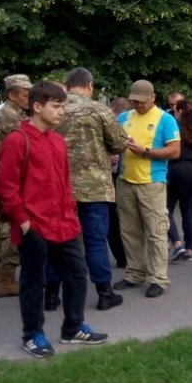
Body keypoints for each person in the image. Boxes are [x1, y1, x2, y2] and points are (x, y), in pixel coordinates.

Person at [0, 81, 108, 358]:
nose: (61, 112)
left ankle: (73, 328)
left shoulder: (57, 140)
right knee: (34, 282)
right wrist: (24, 223)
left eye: (62, 106)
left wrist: (71, 215)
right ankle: (32, 335)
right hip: (33, 226)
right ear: (37, 106)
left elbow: (64, 183)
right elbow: (5, 187)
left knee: (77, 275)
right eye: (56, 106)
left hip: (64, 223)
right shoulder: (17, 140)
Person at [55, 67, 129, 311]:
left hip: (60, 187)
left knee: (56, 240)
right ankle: (104, 293)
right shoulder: (99, 109)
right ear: (90, 85)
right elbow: (119, 142)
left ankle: (51, 294)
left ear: (67, 85)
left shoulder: (54, 108)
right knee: (96, 241)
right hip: (95, 187)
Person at [114, 80, 181, 298]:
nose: (138, 105)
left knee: (156, 232)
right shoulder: (124, 117)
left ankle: (158, 278)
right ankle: (135, 274)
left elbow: (175, 151)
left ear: (153, 97)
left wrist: (145, 151)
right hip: (125, 181)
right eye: (134, 101)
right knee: (129, 231)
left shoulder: (165, 119)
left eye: (142, 101)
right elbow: (115, 143)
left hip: (152, 183)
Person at [0, 73, 32, 298]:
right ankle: (6, 280)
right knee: (11, 232)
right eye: (25, 94)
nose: (29, 98)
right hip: (8, 178)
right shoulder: (12, 117)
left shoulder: (8, 113)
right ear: (12, 95)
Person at [166, 99, 192, 262]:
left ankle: (176, 242)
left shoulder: (174, 126)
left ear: (179, 111)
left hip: (174, 169)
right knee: (188, 211)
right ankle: (190, 247)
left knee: (165, 209)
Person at [107, 97, 131, 268]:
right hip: (119, 177)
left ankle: (123, 257)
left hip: (113, 177)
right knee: (119, 219)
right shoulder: (118, 124)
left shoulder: (112, 123)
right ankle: (125, 256)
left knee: (112, 220)